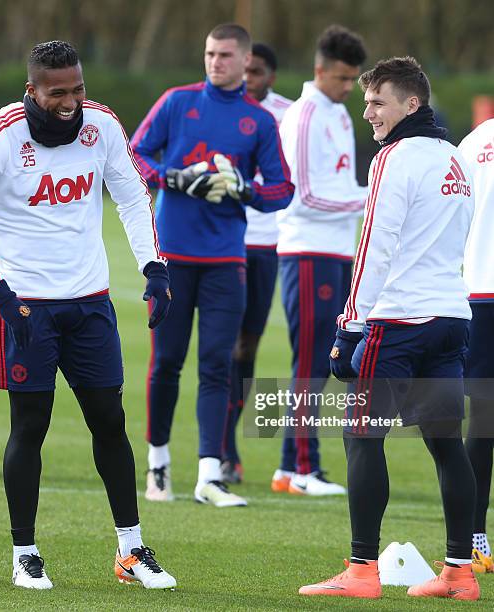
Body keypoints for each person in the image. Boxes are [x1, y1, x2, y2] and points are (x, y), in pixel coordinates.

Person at [0, 40, 176, 590]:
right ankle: (24, 552)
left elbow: (132, 194)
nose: (71, 101)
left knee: (110, 423)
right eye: (57, 92)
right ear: (32, 91)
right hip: (25, 307)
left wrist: (154, 268)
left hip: (90, 302)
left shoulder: (102, 126)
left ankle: (132, 550)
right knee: (31, 427)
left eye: (77, 88)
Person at [299, 56, 479, 600]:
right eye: (367, 101)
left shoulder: (392, 158)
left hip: (396, 322)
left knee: (362, 438)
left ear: (411, 104)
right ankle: (458, 574)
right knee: (448, 445)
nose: (368, 112)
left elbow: (374, 245)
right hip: (451, 317)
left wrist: (350, 328)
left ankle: (360, 572)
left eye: (379, 102)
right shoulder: (455, 158)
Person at [132, 24, 294, 507]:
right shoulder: (177, 102)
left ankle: (209, 476)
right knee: (166, 363)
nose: (214, 61)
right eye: (209, 53)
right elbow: (133, 155)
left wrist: (245, 190)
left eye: (224, 55)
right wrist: (171, 178)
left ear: (245, 61)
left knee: (218, 365)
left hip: (227, 260)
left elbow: (281, 190)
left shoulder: (258, 121)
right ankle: (158, 466)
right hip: (173, 258)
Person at [272, 25, 367, 496]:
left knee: (332, 357)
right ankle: (305, 469)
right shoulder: (305, 115)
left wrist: (358, 198)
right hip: (307, 250)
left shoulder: (340, 114)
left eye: (354, 80)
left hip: (338, 249)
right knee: (311, 360)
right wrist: (369, 199)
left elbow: (338, 184)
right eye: (343, 78)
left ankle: (290, 467)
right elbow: (303, 194)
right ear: (320, 71)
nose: (349, 88)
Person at [221, 42, 293, 484]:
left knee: (247, 347)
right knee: (222, 347)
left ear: (272, 76)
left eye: (258, 72)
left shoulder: (290, 115)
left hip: (267, 244)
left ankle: (227, 445)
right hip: (222, 245)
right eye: (244, 71)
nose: (249, 79)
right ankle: (224, 449)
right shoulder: (215, 109)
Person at [459, 118, 494, 574]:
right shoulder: (476, 140)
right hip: (480, 294)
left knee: (483, 419)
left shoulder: (476, 139)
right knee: (483, 419)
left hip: (477, 295)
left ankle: (472, 538)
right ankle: (472, 537)